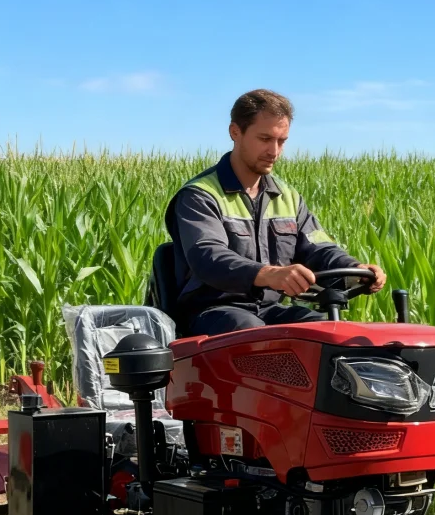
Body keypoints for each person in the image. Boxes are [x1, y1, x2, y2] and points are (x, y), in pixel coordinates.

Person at [163, 89, 386, 337]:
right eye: (265, 139)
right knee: (258, 337)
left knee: (330, 335)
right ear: (235, 132)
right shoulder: (200, 195)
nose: (275, 151)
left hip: (270, 309)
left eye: (282, 141)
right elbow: (208, 256)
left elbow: (318, 248)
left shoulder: (287, 197)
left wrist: (355, 268)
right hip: (212, 313)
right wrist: (268, 274)